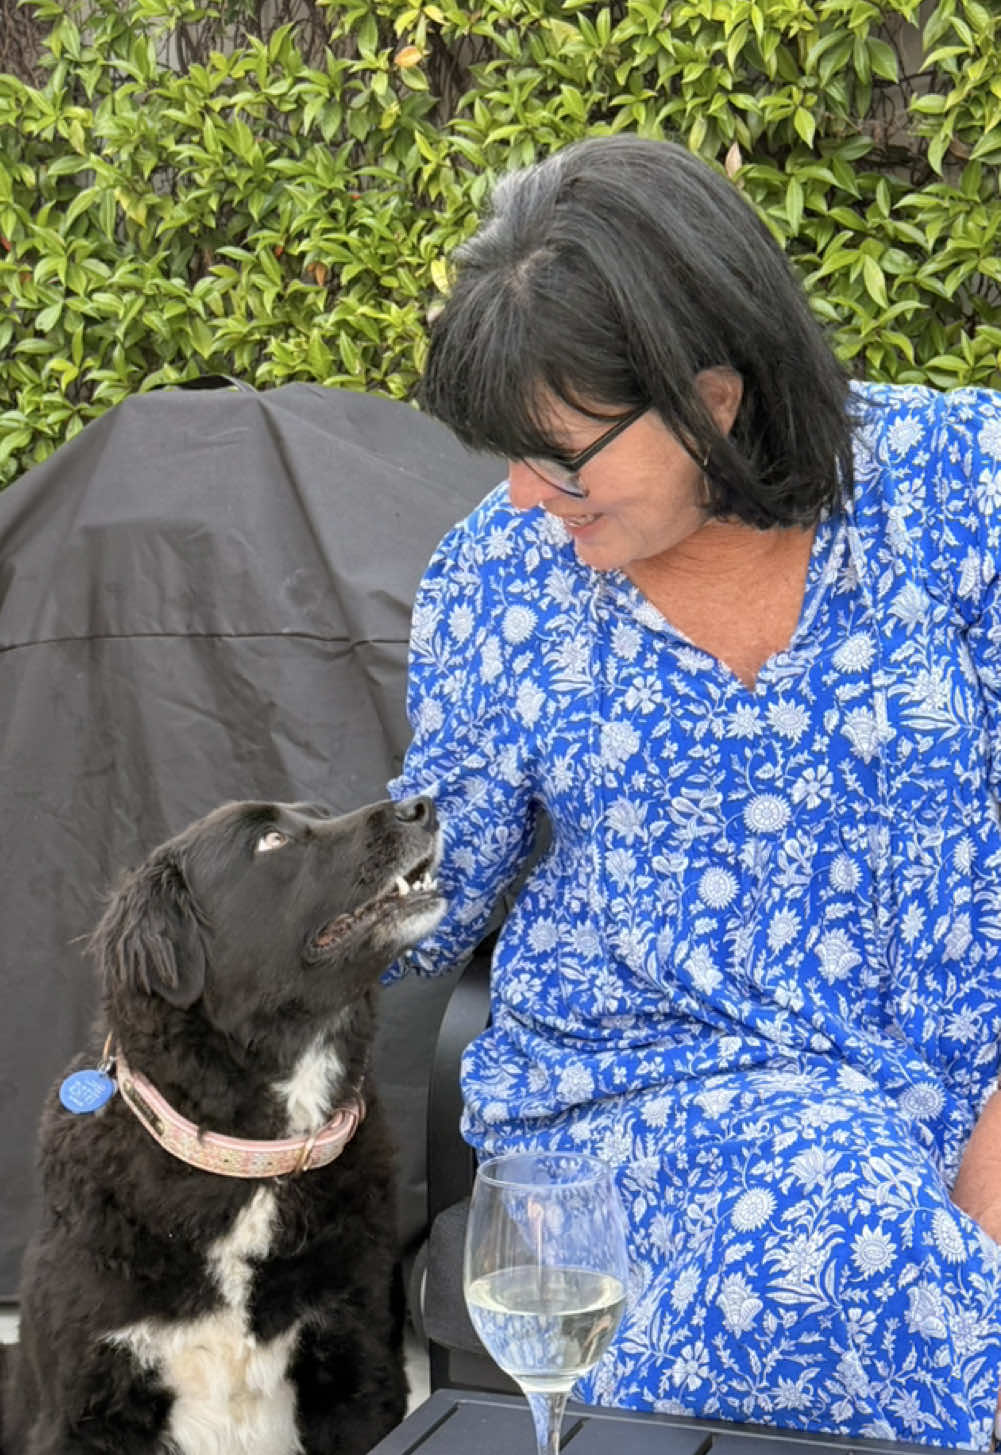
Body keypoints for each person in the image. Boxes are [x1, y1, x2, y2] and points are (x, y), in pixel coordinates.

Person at [385, 135, 1001, 1445]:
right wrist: (227, 978)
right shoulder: (499, 579)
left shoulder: (959, 490)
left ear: (711, 398)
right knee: (841, 1258)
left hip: (969, 1073)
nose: (517, 495)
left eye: (555, 456)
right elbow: (427, 884)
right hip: (659, 1096)